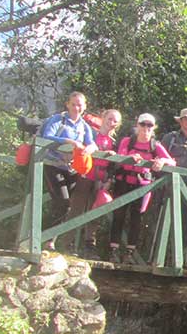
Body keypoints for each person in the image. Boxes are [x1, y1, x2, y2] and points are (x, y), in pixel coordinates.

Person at [109, 113, 175, 262]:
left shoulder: (155, 145)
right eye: (143, 124)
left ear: (154, 128)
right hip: (123, 181)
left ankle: (130, 253)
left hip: (142, 186)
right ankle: (113, 250)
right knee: (118, 215)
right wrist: (130, 158)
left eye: (149, 125)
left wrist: (163, 161)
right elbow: (120, 157)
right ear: (137, 125)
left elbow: (172, 162)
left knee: (136, 217)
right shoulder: (127, 141)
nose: (146, 128)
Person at [38, 91, 98, 248]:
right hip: (53, 165)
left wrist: (90, 148)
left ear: (84, 107)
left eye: (79, 105)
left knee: (65, 206)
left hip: (71, 169)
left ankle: (47, 239)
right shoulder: (58, 119)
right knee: (62, 202)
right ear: (68, 105)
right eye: (73, 104)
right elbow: (47, 136)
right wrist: (69, 141)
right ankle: (44, 239)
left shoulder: (84, 126)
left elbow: (91, 142)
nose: (76, 108)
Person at [64, 108, 121, 254]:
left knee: (95, 214)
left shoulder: (113, 142)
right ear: (103, 118)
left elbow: (113, 166)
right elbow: (82, 150)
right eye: (110, 119)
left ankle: (89, 246)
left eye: (115, 121)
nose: (112, 123)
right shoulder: (91, 135)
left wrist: (109, 180)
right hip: (84, 176)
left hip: (100, 180)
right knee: (75, 210)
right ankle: (67, 244)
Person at [154, 108, 187, 250]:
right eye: (186, 119)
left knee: (183, 223)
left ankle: (176, 257)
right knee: (160, 221)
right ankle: (156, 255)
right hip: (165, 186)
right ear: (181, 121)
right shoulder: (170, 138)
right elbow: (158, 156)